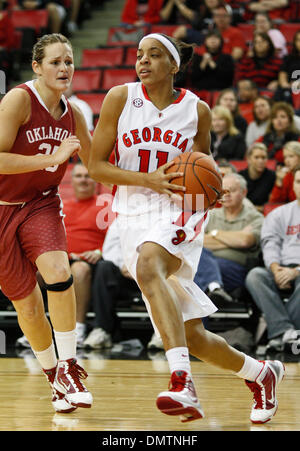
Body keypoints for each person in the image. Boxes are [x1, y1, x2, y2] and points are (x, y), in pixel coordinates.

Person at [88, 32, 285, 424]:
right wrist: (148, 180)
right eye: (140, 54)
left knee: (148, 266)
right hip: (132, 214)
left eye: (154, 55)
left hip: (180, 210)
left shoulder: (198, 110)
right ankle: (262, 374)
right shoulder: (120, 99)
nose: (142, 61)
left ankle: (182, 382)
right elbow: (96, 167)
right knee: (193, 335)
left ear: (174, 66)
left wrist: (209, 190)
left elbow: (204, 167)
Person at [0, 33, 93, 414]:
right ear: (37, 66)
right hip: (2, 206)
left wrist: (154, 180)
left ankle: (70, 365)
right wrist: (50, 158)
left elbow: (98, 163)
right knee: (28, 308)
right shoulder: (19, 99)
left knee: (58, 270)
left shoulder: (75, 114)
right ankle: (54, 377)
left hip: (40, 203)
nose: (64, 68)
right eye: (55, 61)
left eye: (68, 61)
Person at [245, 165, 300, 353]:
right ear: (293, 185)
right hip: (280, 268)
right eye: (299, 182)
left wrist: (296, 272)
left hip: (298, 272)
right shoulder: (279, 214)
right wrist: (276, 269)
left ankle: (279, 334)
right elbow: (270, 244)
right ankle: (288, 333)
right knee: (255, 275)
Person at [194, 173, 264, 306]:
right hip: (208, 264)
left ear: (244, 192)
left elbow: (245, 241)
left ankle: (214, 287)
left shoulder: (255, 218)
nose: (226, 194)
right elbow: (197, 241)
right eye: (222, 191)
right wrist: (233, 239)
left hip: (236, 270)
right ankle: (214, 288)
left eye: (231, 190)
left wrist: (214, 234)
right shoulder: (211, 215)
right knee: (198, 259)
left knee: (198, 273)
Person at [63, 162, 109, 346]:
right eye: (78, 176)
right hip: (63, 258)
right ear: (71, 181)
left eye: (87, 176)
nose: (83, 180)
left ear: (95, 181)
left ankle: (78, 328)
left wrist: (100, 252)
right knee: (35, 273)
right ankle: (36, 327)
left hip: (93, 261)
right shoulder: (60, 206)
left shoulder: (105, 206)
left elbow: (118, 238)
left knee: (79, 270)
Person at [239, 143, 275, 212]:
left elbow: (273, 201)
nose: (260, 161)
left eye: (263, 157)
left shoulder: (272, 176)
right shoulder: (240, 176)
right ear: (249, 159)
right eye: (256, 157)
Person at [278, 30, 300, 109]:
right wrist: (285, 84)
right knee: (283, 93)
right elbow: (282, 74)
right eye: (298, 40)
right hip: (290, 89)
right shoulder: (289, 58)